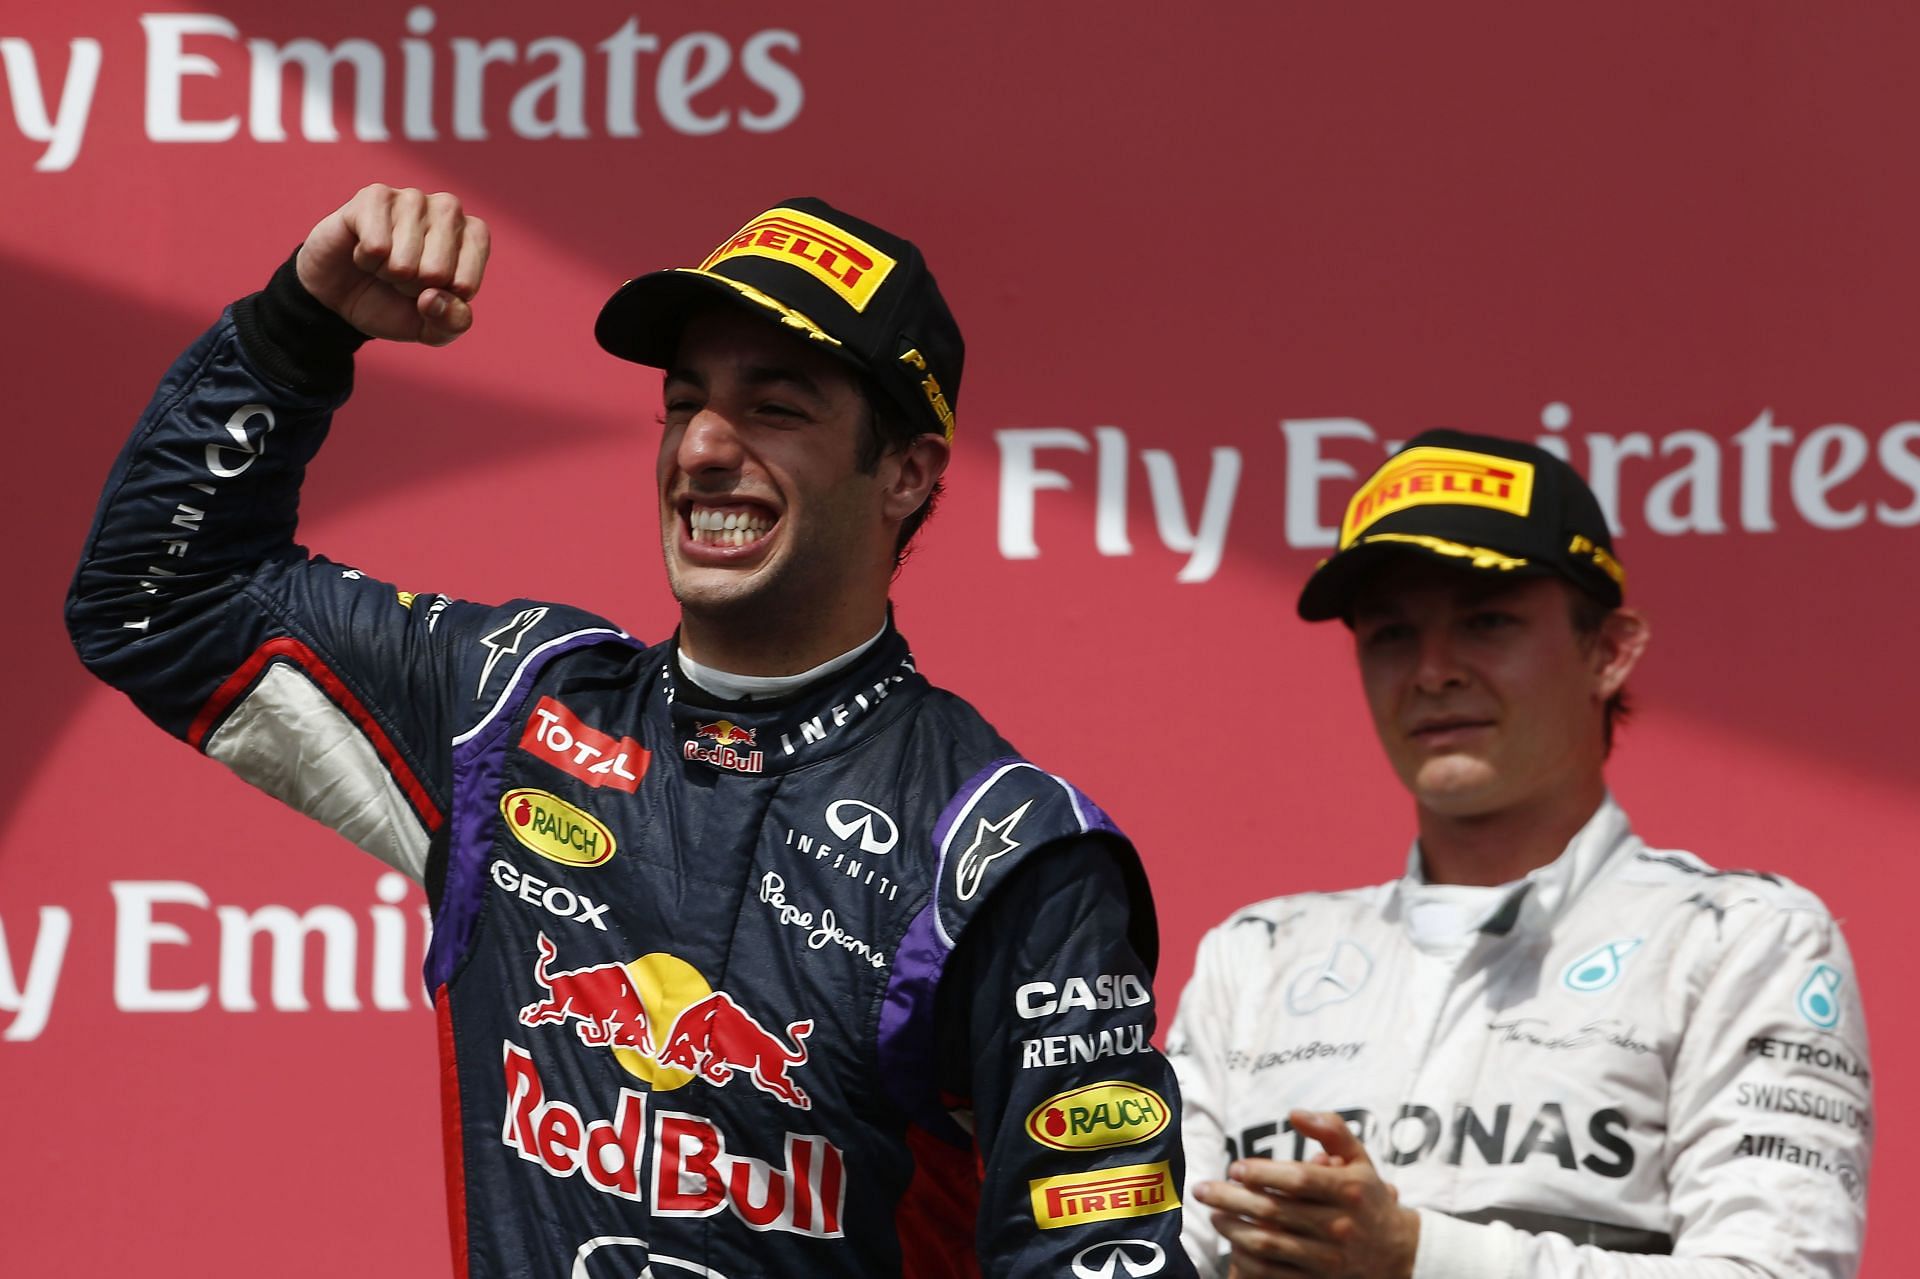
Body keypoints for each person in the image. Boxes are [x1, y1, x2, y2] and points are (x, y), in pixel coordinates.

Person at [67, 186, 1195, 1279]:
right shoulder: (513, 706)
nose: (703, 445)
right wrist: (294, 330)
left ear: (906, 472)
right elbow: (158, 605)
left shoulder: (1004, 852)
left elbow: (1099, 1260)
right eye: (683, 399)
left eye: (776, 406)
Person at [1169, 430, 1872, 1278]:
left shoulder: (1742, 939)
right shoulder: (1257, 958)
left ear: (1608, 650)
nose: (1432, 671)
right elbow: (1154, 1257)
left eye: (1487, 621)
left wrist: (1413, 1256)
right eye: (1391, 634)